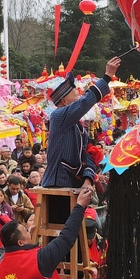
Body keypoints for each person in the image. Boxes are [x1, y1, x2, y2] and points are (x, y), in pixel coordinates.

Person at [42, 58, 120, 189]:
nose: (79, 98)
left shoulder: (80, 128)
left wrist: (87, 180)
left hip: (75, 185)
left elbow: (87, 155)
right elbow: (84, 103)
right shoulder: (58, 116)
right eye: (75, 96)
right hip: (57, 184)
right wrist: (106, 77)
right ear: (64, 102)